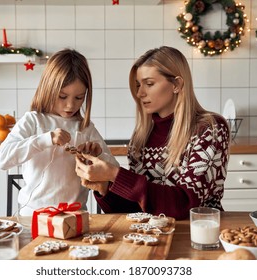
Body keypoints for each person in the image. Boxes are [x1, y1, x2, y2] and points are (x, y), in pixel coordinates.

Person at [75, 46, 230, 220]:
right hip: (153, 238)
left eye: (149, 84)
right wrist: (104, 188)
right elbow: (138, 208)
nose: (140, 93)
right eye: (138, 85)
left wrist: (115, 174)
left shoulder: (210, 129)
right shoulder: (141, 137)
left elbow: (185, 205)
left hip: (197, 235)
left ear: (177, 84)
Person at [0, 48, 118, 216]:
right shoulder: (33, 120)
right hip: (33, 217)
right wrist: (46, 139)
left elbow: (114, 171)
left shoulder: (85, 128)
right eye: (62, 96)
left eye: (79, 97)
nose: (70, 105)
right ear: (49, 89)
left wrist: (98, 157)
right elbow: (3, 159)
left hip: (75, 217)